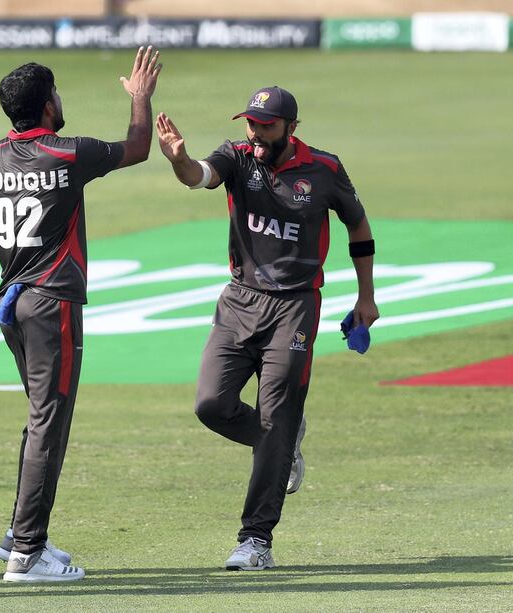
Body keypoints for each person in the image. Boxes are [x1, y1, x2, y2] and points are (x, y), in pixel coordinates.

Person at [0, 46, 162, 582]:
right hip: (52, 302)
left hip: (11, 304)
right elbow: (139, 148)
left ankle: (19, 534)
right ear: (47, 106)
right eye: (58, 92)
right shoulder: (68, 154)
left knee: (42, 415)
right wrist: (139, 99)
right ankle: (27, 553)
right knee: (49, 418)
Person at [156, 86, 379, 569]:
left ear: (291, 128)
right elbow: (200, 176)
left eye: (267, 125)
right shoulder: (237, 157)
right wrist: (179, 159)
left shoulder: (325, 169)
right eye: (251, 123)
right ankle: (281, 439)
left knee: (275, 414)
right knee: (211, 405)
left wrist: (366, 297)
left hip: (295, 307)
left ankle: (255, 541)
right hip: (239, 301)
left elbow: (358, 228)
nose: (255, 132)